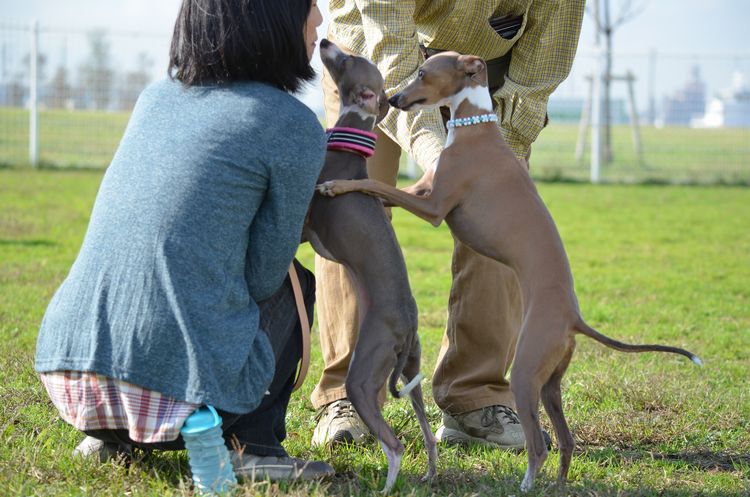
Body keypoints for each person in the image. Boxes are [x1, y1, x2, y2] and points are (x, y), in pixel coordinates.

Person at [35, 0, 333, 483]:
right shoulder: (292, 124)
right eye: (309, 6)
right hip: (181, 405)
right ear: (273, 20)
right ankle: (251, 446)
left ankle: (112, 437)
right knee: (294, 282)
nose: (319, 19)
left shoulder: (155, 97)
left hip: (71, 381)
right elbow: (263, 277)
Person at [311, 0, 586, 449]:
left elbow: (544, 60)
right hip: (372, 51)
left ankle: (474, 397)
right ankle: (346, 395)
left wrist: (494, 155)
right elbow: (393, 52)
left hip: (487, 70)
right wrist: (440, 159)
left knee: (499, 214)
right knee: (351, 208)